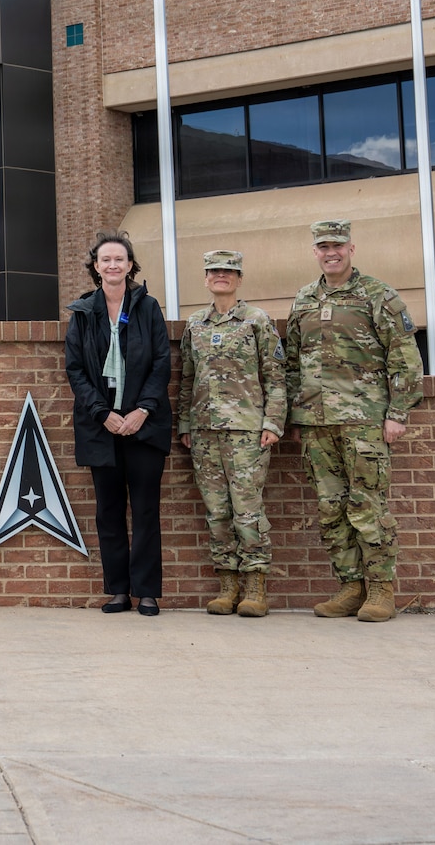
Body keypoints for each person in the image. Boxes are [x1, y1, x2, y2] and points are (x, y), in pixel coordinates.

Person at [283, 219, 423, 624]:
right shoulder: (305, 298)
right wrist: (296, 414)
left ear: (351, 248)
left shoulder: (378, 295)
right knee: (330, 508)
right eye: (324, 246)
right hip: (315, 423)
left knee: (367, 506)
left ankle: (381, 589)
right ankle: (349, 587)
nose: (331, 252)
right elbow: (292, 362)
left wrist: (397, 413)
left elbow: (405, 358)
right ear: (315, 251)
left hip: (364, 421)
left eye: (338, 246)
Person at [63, 231, 172, 616]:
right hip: (101, 427)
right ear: (96, 266)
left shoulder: (147, 307)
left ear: (130, 265)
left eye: (119, 259)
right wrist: (102, 414)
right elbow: (75, 371)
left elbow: (162, 363)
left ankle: (146, 592)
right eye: (105, 259)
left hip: (145, 425)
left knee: (145, 511)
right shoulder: (83, 312)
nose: (112, 265)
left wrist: (142, 409)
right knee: (108, 512)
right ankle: (118, 591)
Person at [174, 249, 286, 618]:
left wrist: (273, 423)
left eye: (229, 271)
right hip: (205, 433)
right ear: (206, 278)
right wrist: (186, 424)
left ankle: (255, 586)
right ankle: (227, 585)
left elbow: (275, 376)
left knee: (247, 511)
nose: (221, 276)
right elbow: (188, 379)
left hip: (247, 433)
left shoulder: (256, 321)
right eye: (214, 271)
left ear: (239, 278)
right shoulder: (196, 323)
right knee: (217, 512)